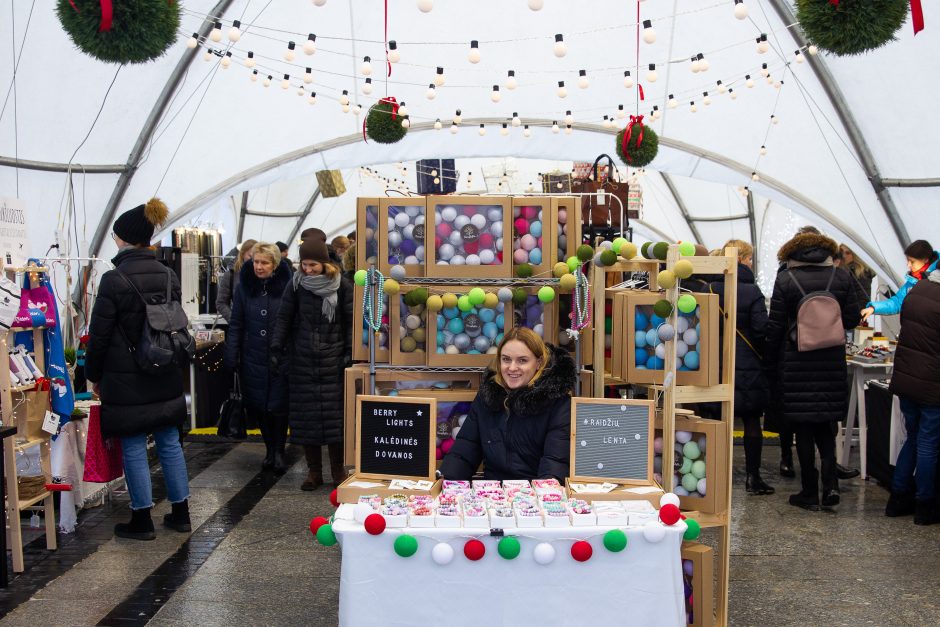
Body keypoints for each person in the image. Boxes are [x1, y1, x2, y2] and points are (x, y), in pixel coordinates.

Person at [85, 198, 191, 541]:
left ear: (124, 238)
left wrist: (94, 375)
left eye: (116, 235)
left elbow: (99, 336)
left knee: (133, 445)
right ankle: (180, 512)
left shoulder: (113, 280)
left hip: (125, 378)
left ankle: (142, 518)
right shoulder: (167, 274)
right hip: (164, 368)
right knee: (169, 442)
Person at [764, 230, 861, 511]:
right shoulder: (841, 276)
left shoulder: (786, 279)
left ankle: (809, 491)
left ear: (792, 252)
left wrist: (771, 363)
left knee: (803, 429)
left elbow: (776, 325)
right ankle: (830, 486)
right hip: (831, 361)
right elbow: (853, 317)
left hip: (796, 362)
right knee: (826, 428)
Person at [440, 327, 577, 481]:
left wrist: (541, 497)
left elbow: (554, 464)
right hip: (492, 495)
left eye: (522, 360)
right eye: (506, 359)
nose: (512, 368)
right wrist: (446, 483)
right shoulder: (488, 397)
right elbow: (465, 450)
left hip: (536, 496)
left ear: (538, 362)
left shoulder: (557, 403)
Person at [272, 237, 354, 490]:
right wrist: (277, 347)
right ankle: (314, 472)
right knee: (307, 422)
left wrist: (349, 354)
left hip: (334, 361)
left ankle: (338, 472)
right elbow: (284, 317)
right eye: (304, 265)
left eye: (312, 265)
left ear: (324, 263)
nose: (307, 270)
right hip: (302, 361)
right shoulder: (295, 285)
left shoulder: (342, 286)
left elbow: (350, 321)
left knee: (335, 422)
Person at [708, 240, 773, 495]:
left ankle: (713, 476)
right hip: (748, 363)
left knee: (714, 420)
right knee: (751, 420)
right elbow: (760, 329)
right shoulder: (752, 291)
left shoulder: (710, 287)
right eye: (750, 258)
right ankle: (752, 477)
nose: (751, 263)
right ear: (743, 259)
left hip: (716, 364)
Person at [224, 242, 292, 474]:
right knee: (260, 406)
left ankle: (280, 450)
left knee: (279, 406)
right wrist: (232, 355)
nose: (259, 267)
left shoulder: (287, 287)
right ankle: (270, 449)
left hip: (280, 355)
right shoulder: (244, 287)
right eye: (256, 261)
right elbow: (236, 323)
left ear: (275, 264)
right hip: (252, 355)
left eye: (264, 262)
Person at [885, 265, 940, 525]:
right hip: (932, 383)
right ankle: (925, 504)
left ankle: (897, 498)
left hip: (907, 379)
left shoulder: (917, 291)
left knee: (913, 437)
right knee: (928, 443)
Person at [861, 240, 938, 323]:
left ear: (925, 260)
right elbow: (897, 302)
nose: (908, 265)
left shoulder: (937, 279)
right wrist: (874, 308)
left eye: (912, 261)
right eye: (907, 260)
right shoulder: (912, 282)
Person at [216, 239, 257, 321]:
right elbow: (221, 303)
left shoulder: (264, 275)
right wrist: (234, 320)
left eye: (256, 257)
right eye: (250, 256)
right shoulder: (231, 275)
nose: (253, 260)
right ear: (242, 254)